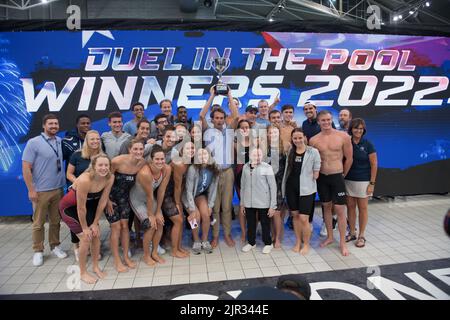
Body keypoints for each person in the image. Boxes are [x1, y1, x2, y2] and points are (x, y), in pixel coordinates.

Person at [59, 154, 114, 284]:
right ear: (93, 166)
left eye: (106, 165)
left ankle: (95, 267)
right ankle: (83, 272)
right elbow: (80, 208)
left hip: (87, 207)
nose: (104, 168)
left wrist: (95, 223)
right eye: (100, 165)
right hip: (69, 208)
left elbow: (103, 201)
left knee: (96, 235)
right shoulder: (85, 180)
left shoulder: (109, 178)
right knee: (85, 238)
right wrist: (85, 228)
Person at [22, 114, 67, 266]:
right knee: (38, 222)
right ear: (44, 125)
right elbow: (26, 168)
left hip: (58, 189)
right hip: (40, 190)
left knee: (56, 221)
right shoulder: (33, 143)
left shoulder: (59, 141)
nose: (54, 126)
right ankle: (38, 251)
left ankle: (55, 246)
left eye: (56, 123)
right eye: (50, 124)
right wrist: (31, 190)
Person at [310, 110, 353, 256]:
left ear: (331, 119)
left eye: (328, 120)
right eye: (323, 120)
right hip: (322, 177)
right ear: (318, 122)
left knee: (340, 210)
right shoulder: (314, 140)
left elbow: (349, 158)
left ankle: (341, 242)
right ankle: (329, 236)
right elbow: (314, 161)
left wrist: (342, 174)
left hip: (337, 177)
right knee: (326, 208)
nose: (326, 123)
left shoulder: (343, 136)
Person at [202, 85, 239, 248]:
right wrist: (211, 95)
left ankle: (228, 234)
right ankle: (215, 235)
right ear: (212, 119)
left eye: (221, 118)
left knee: (226, 207)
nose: (219, 120)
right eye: (216, 118)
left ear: (224, 119)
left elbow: (236, 116)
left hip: (228, 172)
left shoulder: (228, 131)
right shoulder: (207, 131)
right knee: (214, 208)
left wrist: (229, 95)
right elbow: (201, 115)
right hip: (213, 173)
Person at [107, 139, 146, 272]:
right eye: (135, 149)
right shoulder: (117, 161)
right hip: (110, 197)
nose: (138, 152)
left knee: (125, 226)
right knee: (115, 227)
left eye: (141, 149)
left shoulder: (142, 163)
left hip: (124, 198)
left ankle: (126, 257)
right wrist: (106, 200)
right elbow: (105, 180)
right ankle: (117, 260)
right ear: (129, 149)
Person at [130, 145, 172, 265]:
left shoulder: (167, 169)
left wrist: (158, 211)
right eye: (157, 159)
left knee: (160, 223)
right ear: (151, 160)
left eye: (162, 159)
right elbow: (149, 195)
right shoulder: (145, 173)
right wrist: (151, 215)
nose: (160, 162)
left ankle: (154, 252)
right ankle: (146, 255)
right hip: (137, 200)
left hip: (150, 199)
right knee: (150, 225)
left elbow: (161, 191)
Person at [282, 128, 321, 255]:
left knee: (304, 218)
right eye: (295, 138)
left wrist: (315, 172)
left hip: (307, 190)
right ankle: (298, 242)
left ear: (304, 137)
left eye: (300, 138)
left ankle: (306, 244)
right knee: (295, 217)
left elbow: (317, 169)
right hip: (291, 188)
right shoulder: (290, 152)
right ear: (292, 139)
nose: (298, 140)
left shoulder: (313, 152)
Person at [66, 130, 103, 261]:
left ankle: (94, 246)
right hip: (78, 194)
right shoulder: (77, 155)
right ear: (87, 141)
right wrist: (78, 182)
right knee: (77, 221)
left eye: (97, 139)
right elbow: (69, 174)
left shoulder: (102, 156)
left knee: (92, 220)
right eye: (92, 139)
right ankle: (77, 247)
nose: (95, 141)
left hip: (93, 196)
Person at [344, 118, 377, 248]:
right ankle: (352, 232)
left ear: (364, 130)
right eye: (356, 128)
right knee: (350, 207)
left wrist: (372, 183)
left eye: (361, 128)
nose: (358, 130)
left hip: (363, 181)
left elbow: (374, 164)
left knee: (362, 208)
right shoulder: (346, 142)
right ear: (351, 129)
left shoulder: (368, 144)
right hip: (348, 180)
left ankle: (361, 235)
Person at [240, 148, 277, 254]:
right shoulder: (245, 167)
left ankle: (268, 243)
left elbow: (273, 187)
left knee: (265, 223)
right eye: (254, 154)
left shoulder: (267, 167)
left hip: (263, 202)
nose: (257, 157)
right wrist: (242, 204)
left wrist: (272, 206)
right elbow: (243, 186)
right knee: (251, 223)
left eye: (259, 154)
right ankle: (251, 242)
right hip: (249, 201)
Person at [183, 148, 219, 255]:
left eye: (205, 154)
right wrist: (192, 209)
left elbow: (213, 188)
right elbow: (188, 191)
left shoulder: (213, 169)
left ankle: (204, 239)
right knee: (196, 217)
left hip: (199, 195)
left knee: (206, 214)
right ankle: (196, 239)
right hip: (188, 197)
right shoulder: (193, 169)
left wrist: (210, 205)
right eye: (199, 155)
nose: (202, 157)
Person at [266, 125, 288, 248]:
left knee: (277, 214)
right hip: (266, 186)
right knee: (269, 213)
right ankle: (272, 234)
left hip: (279, 185)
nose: (272, 135)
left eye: (275, 133)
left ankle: (278, 238)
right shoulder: (264, 149)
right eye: (270, 133)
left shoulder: (284, 148)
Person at [234, 119, 252, 243]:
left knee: (253, 205)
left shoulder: (255, 143)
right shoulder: (235, 144)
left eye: (247, 127)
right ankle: (244, 232)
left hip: (254, 177)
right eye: (242, 127)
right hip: (240, 176)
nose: (245, 129)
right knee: (242, 205)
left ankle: (252, 230)